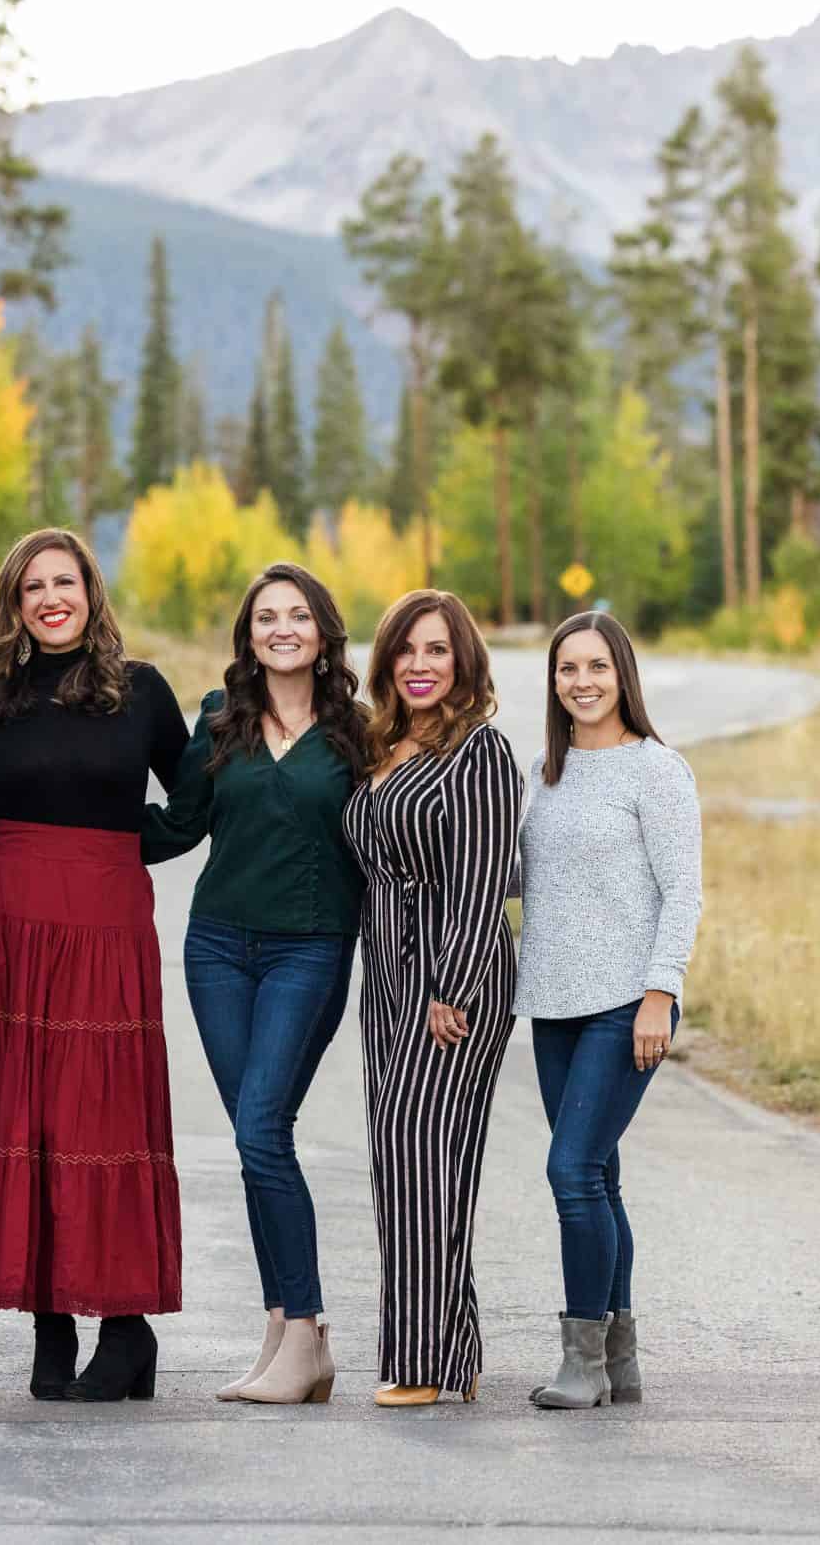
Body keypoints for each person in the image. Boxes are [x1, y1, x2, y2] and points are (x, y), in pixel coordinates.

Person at [0, 527, 189, 1404]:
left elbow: (195, 797)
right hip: (6, 927)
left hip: (106, 922)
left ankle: (125, 1328)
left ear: (90, 592)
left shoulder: (141, 691)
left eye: (63, 582)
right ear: (15, 603)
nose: (50, 599)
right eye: (32, 586)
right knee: (27, 1115)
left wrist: (125, 846)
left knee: (102, 1117)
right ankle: (50, 1324)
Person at [143, 564, 368, 1405]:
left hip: (308, 950)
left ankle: (305, 1331)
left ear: (322, 633)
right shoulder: (220, 718)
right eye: (266, 616)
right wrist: (70, 824)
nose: (282, 629)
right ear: (248, 635)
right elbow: (177, 826)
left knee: (263, 1132)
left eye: (297, 615)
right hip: (216, 950)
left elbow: (386, 844)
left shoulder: (357, 733)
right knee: (254, 1140)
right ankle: (284, 1333)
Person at [338, 588, 520, 1408]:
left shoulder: (479, 752)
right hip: (386, 978)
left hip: (454, 978)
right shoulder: (383, 746)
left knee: (417, 1149)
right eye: (407, 650)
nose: (420, 665)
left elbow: (483, 879)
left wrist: (455, 984)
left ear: (463, 661)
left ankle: (418, 1361)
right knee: (410, 1159)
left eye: (438, 649)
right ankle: (458, 1352)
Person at [516, 610, 700, 1409]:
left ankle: (582, 1360)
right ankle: (619, 1362)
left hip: (626, 1002)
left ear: (623, 674)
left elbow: (683, 890)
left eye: (597, 666)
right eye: (568, 669)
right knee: (598, 1175)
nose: (582, 682)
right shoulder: (542, 772)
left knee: (570, 1171)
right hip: (552, 1001)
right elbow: (524, 877)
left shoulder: (656, 770)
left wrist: (661, 993)